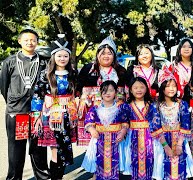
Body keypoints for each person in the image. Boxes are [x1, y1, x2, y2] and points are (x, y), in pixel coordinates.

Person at [0, 29, 50, 180]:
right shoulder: (9, 61)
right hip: (17, 112)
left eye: (33, 40)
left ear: (37, 42)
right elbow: (3, 86)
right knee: (16, 150)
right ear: (20, 41)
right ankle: (14, 178)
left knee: (39, 149)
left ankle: (42, 177)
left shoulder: (43, 61)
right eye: (26, 40)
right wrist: (14, 101)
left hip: (37, 113)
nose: (30, 42)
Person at [32, 36, 78, 179]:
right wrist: (37, 116)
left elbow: (78, 92)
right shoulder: (45, 74)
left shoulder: (73, 74)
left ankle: (59, 176)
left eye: (65, 55)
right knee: (54, 150)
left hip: (68, 115)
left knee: (64, 149)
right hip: (51, 116)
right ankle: (55, 177)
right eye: (59, 55)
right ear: (53, 57)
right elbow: (37, 95)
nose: (62, 58)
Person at [77, 36, 127, 146]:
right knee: (94, 143)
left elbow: (125, 91)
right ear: (97, 54)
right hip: (93, 110)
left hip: (115, 110)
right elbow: (78, 87)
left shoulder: (121, 71)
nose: (106, 56)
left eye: (109, 53)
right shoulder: (88, 69)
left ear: (114, 56)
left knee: (114, 142)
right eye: (103, 53)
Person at [151, 67, 193, 180]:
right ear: (162, 89)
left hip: (179, 139)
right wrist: (165, 146)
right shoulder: (156, 105)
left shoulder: (182, 104)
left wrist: (179, 144)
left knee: (180, 169)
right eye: (167, 86)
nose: (171, 89)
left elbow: (185, 124)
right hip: (162, 141)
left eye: (173, 86)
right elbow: (156, 127)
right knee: (163, 171)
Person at [83, 80, 129, 179]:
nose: (107, 93)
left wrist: (123, 132)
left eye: (111, 90)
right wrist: (91, 129)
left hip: (116, 141)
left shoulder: (121, 108)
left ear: (116, 92)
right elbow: (88, 121)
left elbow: (125, 123)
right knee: (97, 166)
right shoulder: (95, 108)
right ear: (100, 93)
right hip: (99, 140)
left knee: (115, 166)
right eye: (104, 91)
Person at [120, 77, 155, 180]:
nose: (139, 90)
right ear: (130, 90)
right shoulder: (126, 106)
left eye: (141, 87)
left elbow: (156, 121)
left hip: (149, 137)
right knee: (134, 161)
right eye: (135, 88)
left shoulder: (152, 105)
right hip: (133, 137)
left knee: (149, 161)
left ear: (146, 89)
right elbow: (123, 121)